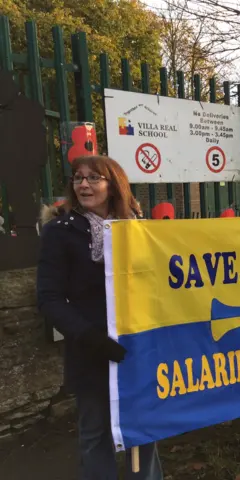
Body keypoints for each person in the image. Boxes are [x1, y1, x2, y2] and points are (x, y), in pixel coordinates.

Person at [37, 156, 163, 480]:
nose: (84, 184)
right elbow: (49, 298)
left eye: (94, 178)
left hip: (136, 346)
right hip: (91, 350)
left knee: (144, 434)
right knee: (95, 436)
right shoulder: (59, 231)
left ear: (113, 184)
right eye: (78, 178)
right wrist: (91, 337)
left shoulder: (136, 225)